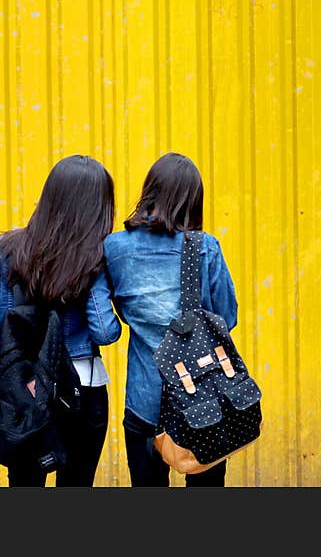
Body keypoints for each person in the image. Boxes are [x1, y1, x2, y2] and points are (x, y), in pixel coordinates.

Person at [0, 155, 122, 487]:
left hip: (21, 389)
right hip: (80, 391)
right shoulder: (93, 257)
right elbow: (105, 332)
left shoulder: (8, 249)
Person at [103, 152, 238, 487]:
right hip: (203, 398)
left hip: (144, 401)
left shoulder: (114, 247)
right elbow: (228, 316)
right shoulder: (205, 247)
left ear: (150, 191)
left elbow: (109, 310)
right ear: (193, 200)